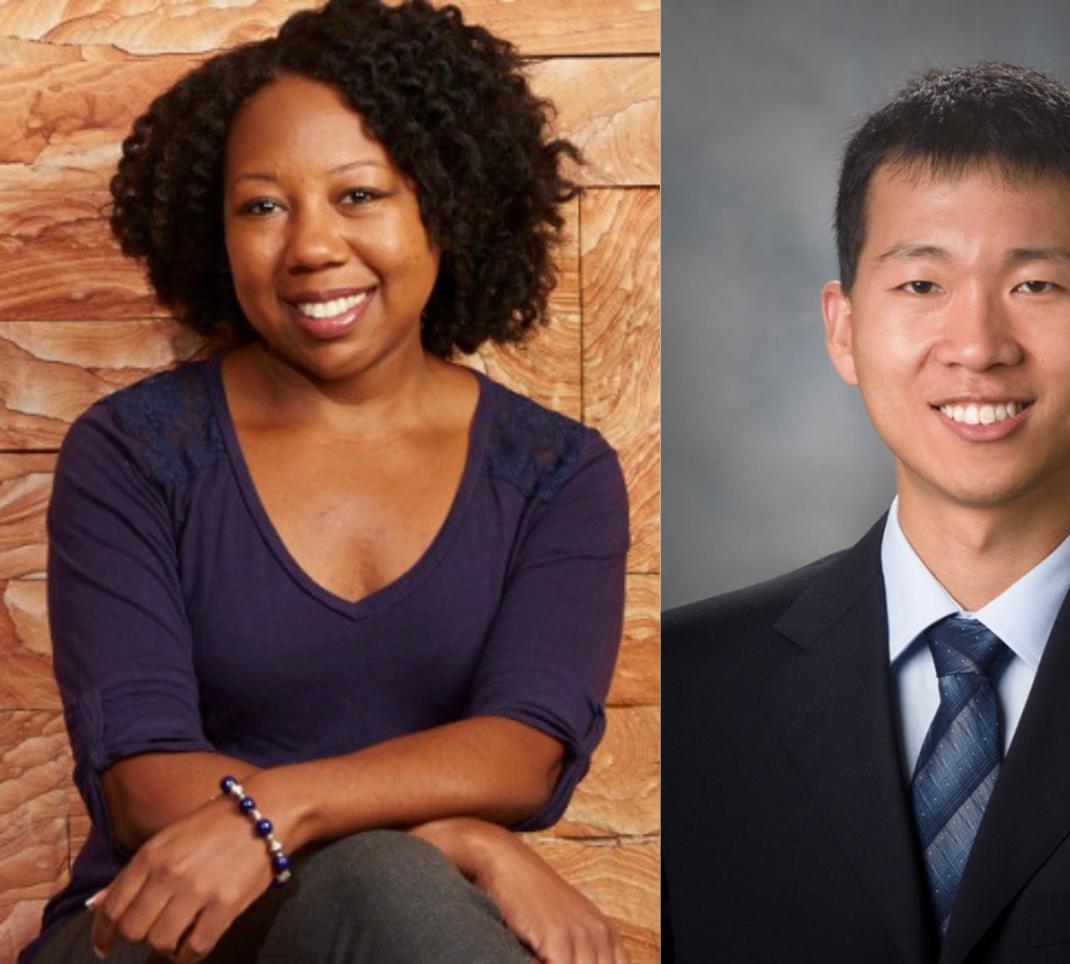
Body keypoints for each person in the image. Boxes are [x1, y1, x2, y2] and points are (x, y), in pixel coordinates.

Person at [22, 2, 631, 962]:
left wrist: (286, 806)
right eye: (262, 205)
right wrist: (455, 840)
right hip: (159, 930)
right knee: (393, 883)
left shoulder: (556, 472)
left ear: (448, 203)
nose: (308, 246)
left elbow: (522, 751)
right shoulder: (132, 454)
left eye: (359, 196)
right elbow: (143, 784)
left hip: (407, 928)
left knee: (394, 890)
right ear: (212, 231)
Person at [663, 63, 1070, 963]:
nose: (978, 347)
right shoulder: (686, 692)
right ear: (843, 330)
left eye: (1035, 285)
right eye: (922, 286)